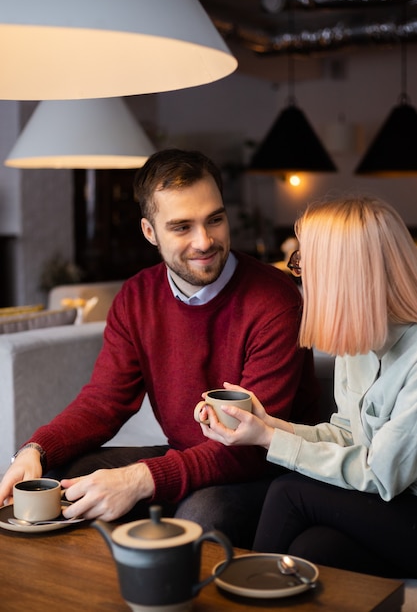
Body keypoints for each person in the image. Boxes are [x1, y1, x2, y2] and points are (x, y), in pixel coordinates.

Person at [0, 148, 318, 548]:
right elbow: (103, 403)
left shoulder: (274, 299)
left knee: (199, 516)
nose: (204, 241)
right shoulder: (136, 297)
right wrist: (36, 449)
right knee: (62, 475)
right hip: (186, 455)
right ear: (150, 232)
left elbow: (254, 444)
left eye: (215, 220)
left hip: (265, 470)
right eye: (182, 227)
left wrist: (141, 479)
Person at [197, 196, 417, 577]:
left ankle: (239, 597)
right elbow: (347, 434)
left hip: (403, 503)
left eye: (303, 262)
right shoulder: (361, 342)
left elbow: (381, 474)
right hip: (396, 512)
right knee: (312, 549)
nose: (298, 273)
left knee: (289, 491)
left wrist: (271, 441)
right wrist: (267, 426)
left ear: (343, 275)